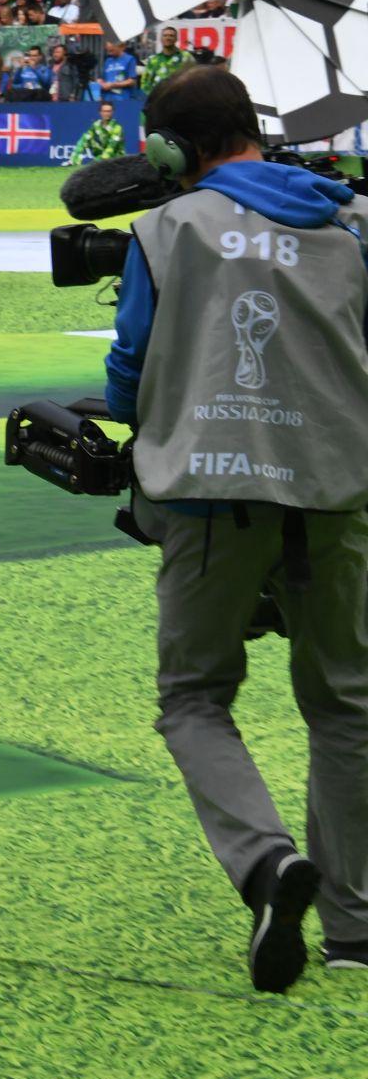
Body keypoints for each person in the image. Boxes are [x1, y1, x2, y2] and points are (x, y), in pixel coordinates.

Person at [103, 67, 368, 993]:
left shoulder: (168, 228)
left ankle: (266, 862)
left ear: (172, 151)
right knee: (345, 703)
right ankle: (355, 931)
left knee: (195, 696)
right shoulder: (348, 225)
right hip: (337, 492)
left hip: (212, 496)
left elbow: (128, 370)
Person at [139, 25, 187, 96]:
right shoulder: (153, 60)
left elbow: (193, 79)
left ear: (176, 39)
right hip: (158, 100)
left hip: (179, 99)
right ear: (161, 39)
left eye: (171, 36)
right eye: (165, 35)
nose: (168, 38)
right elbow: (145, 82)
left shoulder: (185, 57)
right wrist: (152, 97)